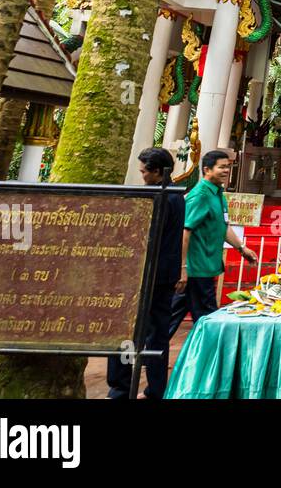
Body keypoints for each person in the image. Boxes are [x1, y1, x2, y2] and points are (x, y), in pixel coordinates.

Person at [107, 148, 184, 399]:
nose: (142, 176)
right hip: (165, 273)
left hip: (147, 273)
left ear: (158, 172)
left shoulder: (162, 197)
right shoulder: (175, 195)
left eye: (144, 172)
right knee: (157, 335)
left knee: (126, 329)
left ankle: (120, 387)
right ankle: (156, 389)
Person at [169, 150, 258, 338]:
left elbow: (222, 226)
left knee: (173, 316)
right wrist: (183, 268)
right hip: (196, 269)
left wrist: (241, 248)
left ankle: (147, 349)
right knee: (208, 321)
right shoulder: (200, 195)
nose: (226, 170)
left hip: (206, 267)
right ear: (207, 170)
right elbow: (185, 231)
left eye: (228, 166)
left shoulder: (218, 194)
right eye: (222, 167)